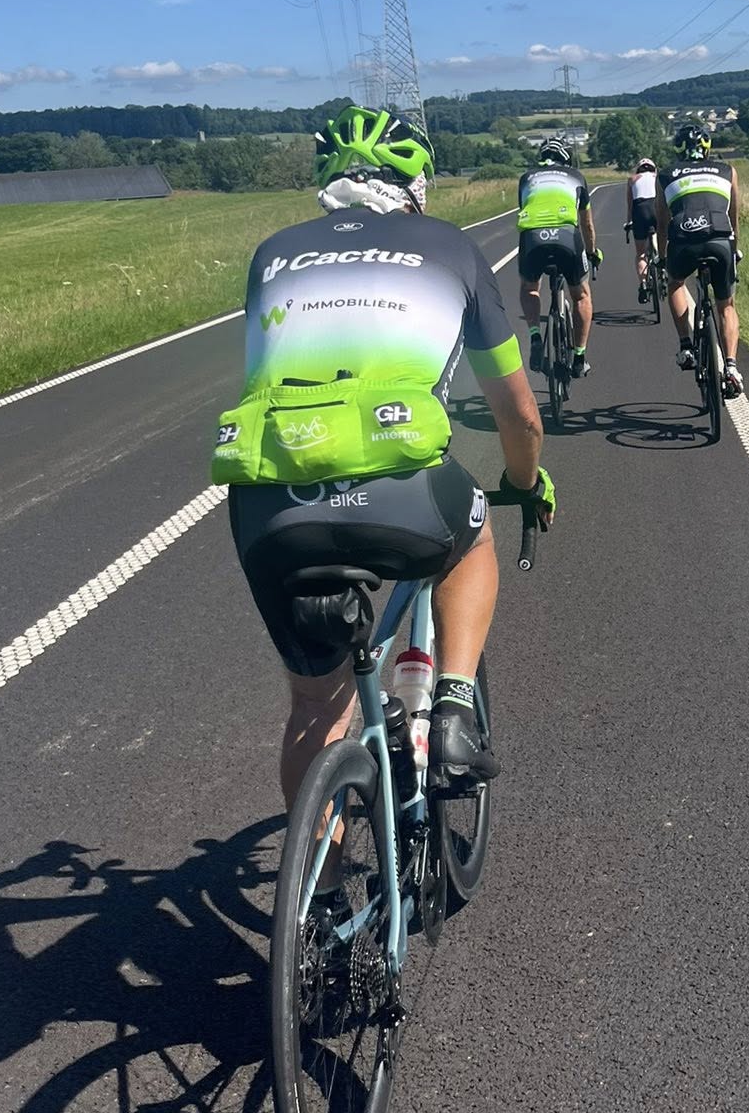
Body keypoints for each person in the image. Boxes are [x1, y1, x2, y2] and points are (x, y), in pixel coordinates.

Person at [215, 107, 553, 808]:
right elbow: (519, 412)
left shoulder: (272, 253)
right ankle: (454, 705)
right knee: (472, 538)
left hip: (271, 504)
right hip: (403, 489)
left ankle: (324, 875)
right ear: (416, 183)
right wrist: (525, 482)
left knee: (317, 706)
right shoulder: (450, 247)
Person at [655, 120, 744, 399]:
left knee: (675, 283)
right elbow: (734, 218)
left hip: (683, 241)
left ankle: (686, 345)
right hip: (720, 240)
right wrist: (735, 249)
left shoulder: (665, 174)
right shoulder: (727, 171)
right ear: (707, 148)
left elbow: (662, 224)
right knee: (726, 305)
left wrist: (662, 257)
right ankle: (731, 367)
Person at [516, 136, 600, 378]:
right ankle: (579, 357)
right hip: (566, 237)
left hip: (532, 237)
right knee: (581, 295)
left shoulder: (527, 178)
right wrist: (592, 253)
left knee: (529, 288)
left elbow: (526, 209)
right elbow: (587, 225)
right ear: (566, 159)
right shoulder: (576, 176)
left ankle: (535, 336)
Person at [627, 155, 659, 299]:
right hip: (656, 208)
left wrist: (629, 222)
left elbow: (630, 205)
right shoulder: (658, 178)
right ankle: (662, 263)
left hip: (640, 211)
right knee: (664, 241)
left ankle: (644, 283)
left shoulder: (632, 180)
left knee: (640, 254)